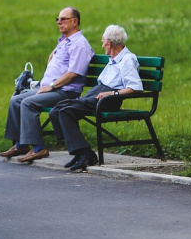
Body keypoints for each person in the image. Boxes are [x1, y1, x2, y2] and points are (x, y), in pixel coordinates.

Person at [0, 7, 95, 164]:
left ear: (74, 21)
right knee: (16, 99)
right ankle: (21, 144)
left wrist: (51, 86)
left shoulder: (80, 44)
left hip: (65, 92)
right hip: (51, 88)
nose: (59, 22)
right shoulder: (64, 41)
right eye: (57, 19)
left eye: (63, 19)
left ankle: (38, 148)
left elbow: (74, 73)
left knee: (28, 103)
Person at [49, 24, 143, 172]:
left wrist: (112, 94)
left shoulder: (127, 59)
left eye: (103, 41)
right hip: (98, 94)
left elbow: (135, 87)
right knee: (57, 110)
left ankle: (85, 153)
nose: (102, 44)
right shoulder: (113, 59)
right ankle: (79, 151)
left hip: (108, 99)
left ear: (109, 43)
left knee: (66, 111)